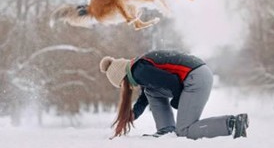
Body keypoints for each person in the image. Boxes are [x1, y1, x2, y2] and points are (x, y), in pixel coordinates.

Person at [99, 49, 249, 140]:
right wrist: (134, 115)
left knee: (185, 131)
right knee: (151, 91)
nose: (126, 87)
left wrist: (176, 101)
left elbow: (172, 81)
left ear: (122, 78)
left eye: (121, 85)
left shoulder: (140, 71)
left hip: (195, 77)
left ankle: (232, 124)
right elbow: (147, 95)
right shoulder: (139, 67)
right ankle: (166, 130)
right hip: (198, 73)